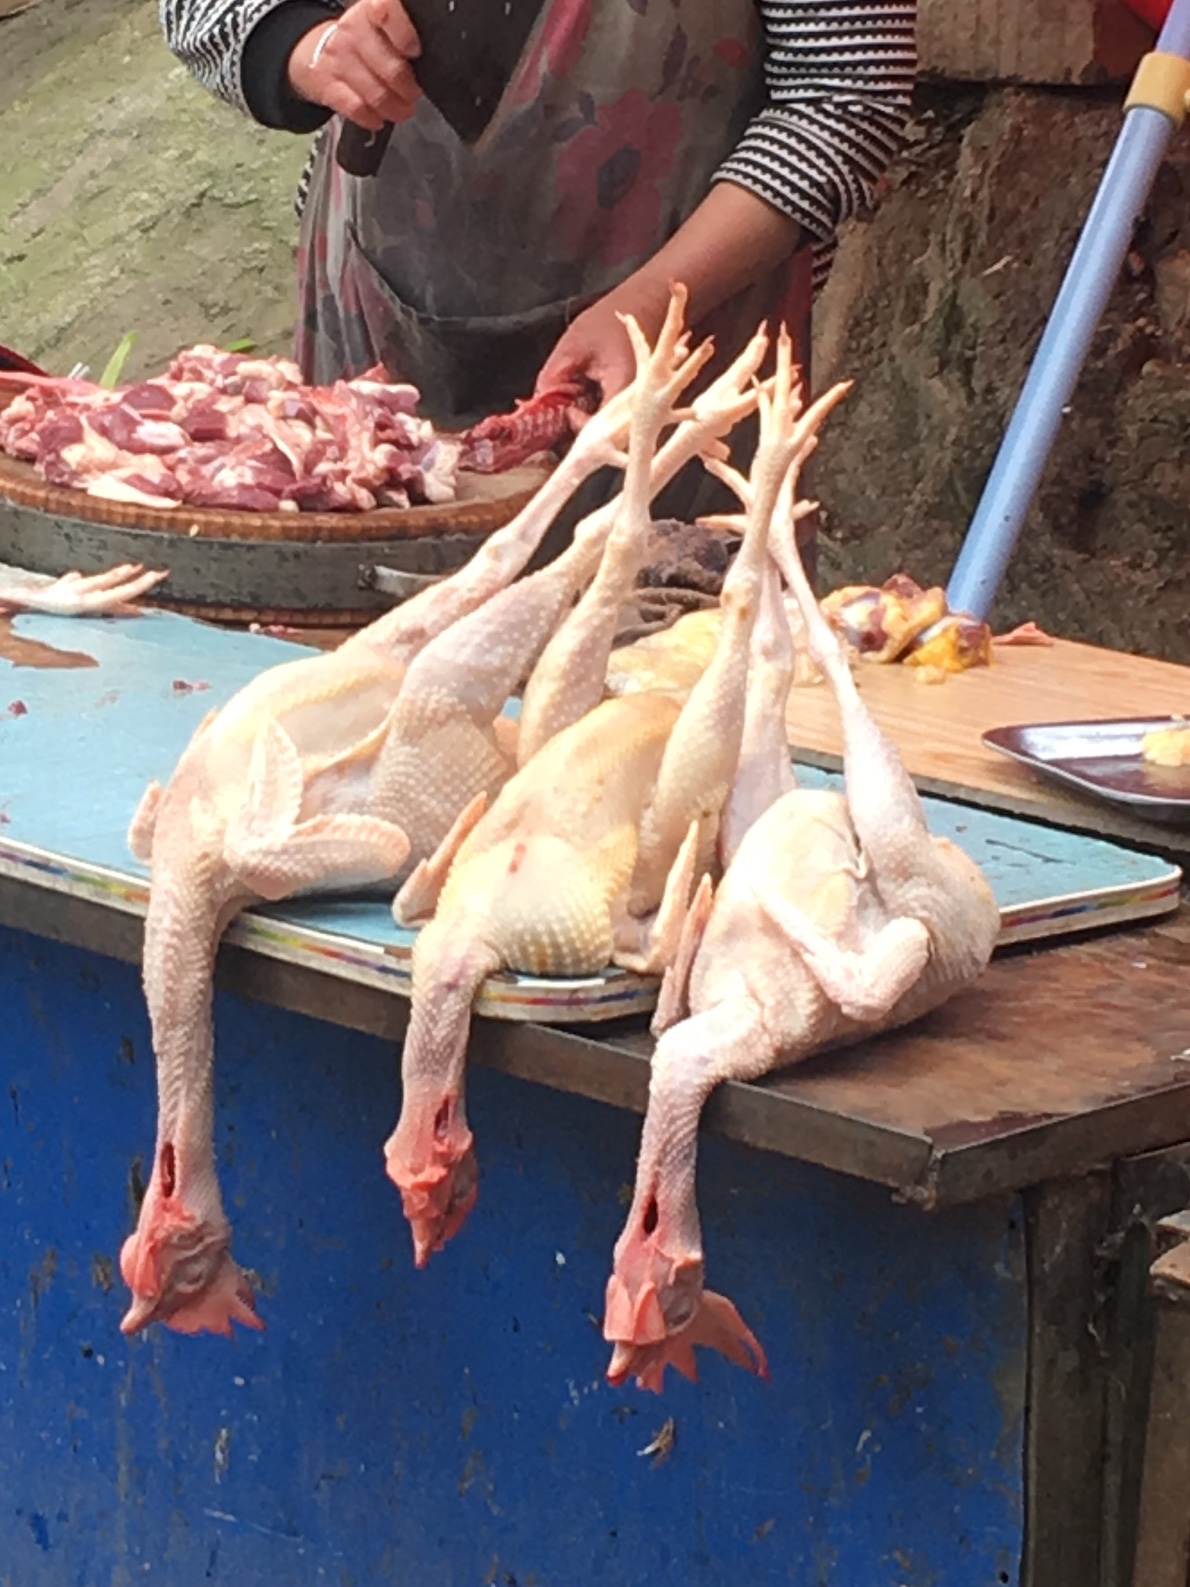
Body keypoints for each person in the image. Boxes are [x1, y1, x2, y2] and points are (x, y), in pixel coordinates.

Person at [161, 0, 915, 432]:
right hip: (375, 331)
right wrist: (308, 48)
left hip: (673, 362)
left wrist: (651, 306)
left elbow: (844, 101)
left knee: (659, 644)